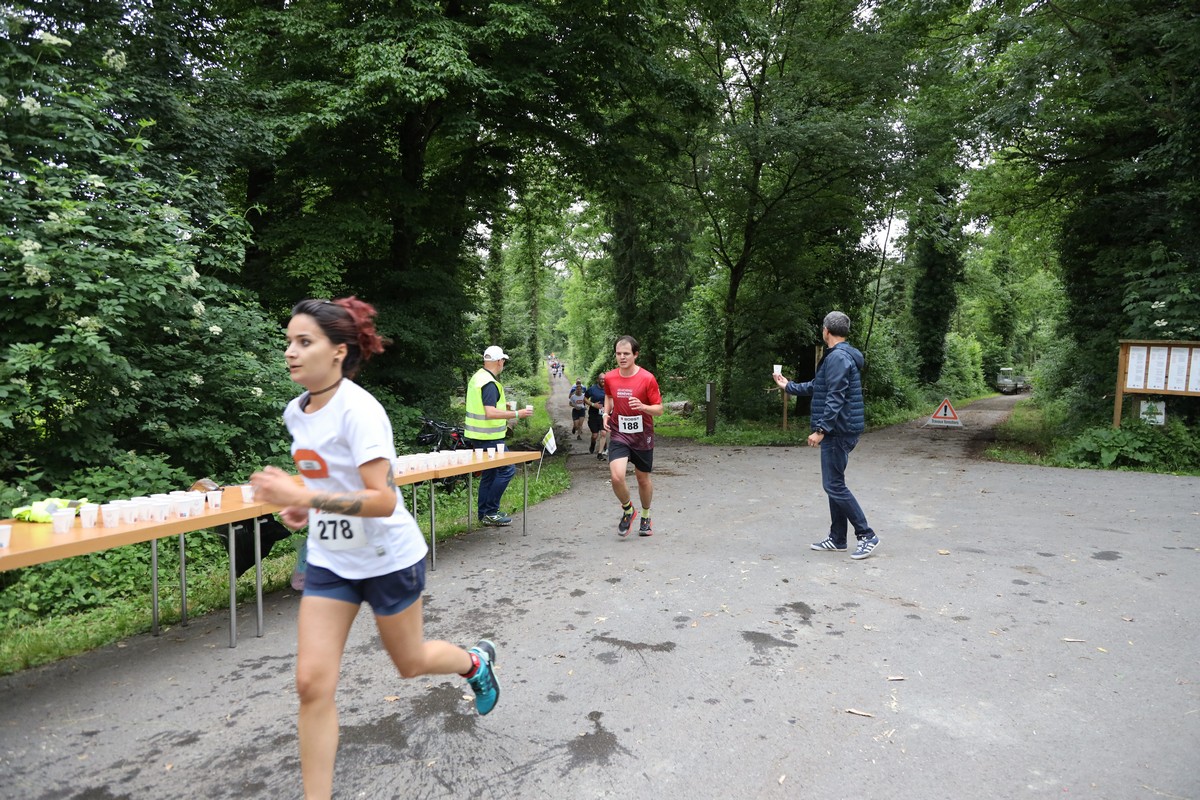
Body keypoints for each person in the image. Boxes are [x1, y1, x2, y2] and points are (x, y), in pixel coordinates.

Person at [249, 297, 500, 800]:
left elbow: (382, 500)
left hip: (388, 559)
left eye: (304, 342)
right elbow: (322, 479)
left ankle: (473, 663)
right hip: (331, 561)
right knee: (311, 684)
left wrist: (305, 497)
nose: (290, 352)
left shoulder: (360, 410)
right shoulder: (296, 412)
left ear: (338, 352)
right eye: (289, 342)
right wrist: (302, 507)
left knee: (410, 663)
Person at [773, 310, 879, 560]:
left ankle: (867, 535)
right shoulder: (839, 356)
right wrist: (789, 386)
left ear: (826, 331)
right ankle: (838, 538)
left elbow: (835, 397)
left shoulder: (838, 358)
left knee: (833, 485)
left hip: (838, 430)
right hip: (841, 428)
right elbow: (819, 386)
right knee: (835, 484)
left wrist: (821, 429)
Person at [465, 345, 533, 526]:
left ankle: (484, 514)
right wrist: (517, 413)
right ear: (498, 361)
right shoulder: (489, 383)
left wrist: (504, 408)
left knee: (489, 474)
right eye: (503, 360)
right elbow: (490, 412)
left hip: (479, 436)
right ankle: (491, 511)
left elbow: (485, 407)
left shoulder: (478, 377)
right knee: (507, 470)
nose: (503, 363)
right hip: (490, 437)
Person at [603, 335, 663, 537]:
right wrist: (605, 413)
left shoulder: (647, 378)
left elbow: (659, 409)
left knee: (642, 479)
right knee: (616, 476)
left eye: (626, 354)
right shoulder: (610, 377)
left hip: (642, 435)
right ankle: (628, 510)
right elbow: (608, 395)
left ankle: (645, 515)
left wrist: (643, 407)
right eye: (618, 353)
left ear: (635, 355)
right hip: (619, 433)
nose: (622, 357)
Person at [584, 372, 608, 458]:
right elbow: (585, 398)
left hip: (604, 415)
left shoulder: (609, 388)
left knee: (603, 433)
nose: (603, 381)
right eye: (601, 379)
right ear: (598, 380)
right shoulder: (592, 389)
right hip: (593, 414)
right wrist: (593, 404)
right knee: (595, 435)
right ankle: (593, 444)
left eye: (604, 379)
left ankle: (600, 453)